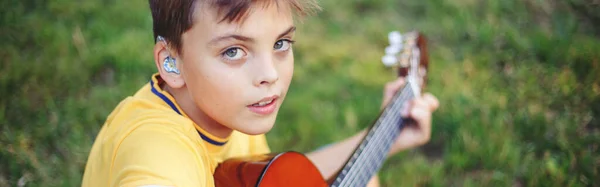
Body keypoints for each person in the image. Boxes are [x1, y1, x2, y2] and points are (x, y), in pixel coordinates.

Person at [81, 0, 439, 186]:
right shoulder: (155, 144)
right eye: (233, 51)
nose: (270, 75)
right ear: (172, 62)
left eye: (281, 43)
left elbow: (287, 180)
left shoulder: (227, 112)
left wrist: (388, 137)